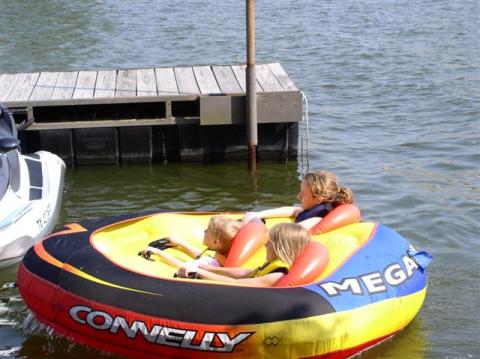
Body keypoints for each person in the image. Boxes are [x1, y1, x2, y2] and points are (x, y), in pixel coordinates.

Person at [176, 222, 311, 287]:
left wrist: (201, 274)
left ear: (281, 248)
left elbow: (236, 283)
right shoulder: (273, 265)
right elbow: (246, 273)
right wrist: (208, 269)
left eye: (269, 243)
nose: (265, 245)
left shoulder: (277, 275)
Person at [243, 170, 354, 230]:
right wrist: (258, 214)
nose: (298, 196)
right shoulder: (317, 208)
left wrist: (256, 227)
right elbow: (294, 211)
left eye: (303, 194)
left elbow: (291, 231)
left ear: (319, 199)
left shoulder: (317, 220)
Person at [139, 216, 242, 272]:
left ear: (216, 243)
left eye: (207, 231)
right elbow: (201, 256)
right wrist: (180, 243)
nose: (204, 231)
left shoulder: (209, 264)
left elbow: (182, 266)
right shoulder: (222, 258)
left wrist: (157, 252)